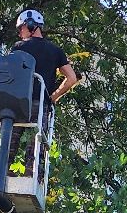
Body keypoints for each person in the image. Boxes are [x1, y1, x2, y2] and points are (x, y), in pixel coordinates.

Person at [13, 9, 79, 169]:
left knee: (11, 140)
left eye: (21, 29)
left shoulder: (18, 48)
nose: (20, 34)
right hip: (41, 104)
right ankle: (33, 174)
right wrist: (53, 97)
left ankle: (4, 170)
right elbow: (72, 78)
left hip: (19, 103)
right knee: (36, 143)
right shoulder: (55, 51)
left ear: (29, 25)